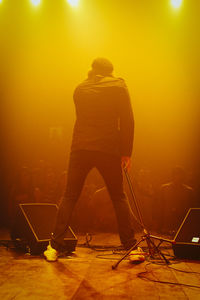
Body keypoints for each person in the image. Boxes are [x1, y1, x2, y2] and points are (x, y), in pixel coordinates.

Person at [44, 57, 136, 261]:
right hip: (108, 149)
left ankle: (54, 247)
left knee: (69, 196)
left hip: (81, 148)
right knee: (118, 196)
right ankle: (131, 247)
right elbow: (127, 120)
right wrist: (126, 152)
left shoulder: (79, 88)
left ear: (92, 71)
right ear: (110, 71)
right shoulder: (119, 85)